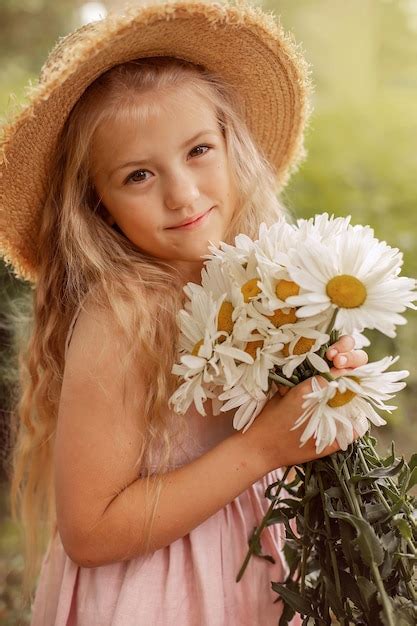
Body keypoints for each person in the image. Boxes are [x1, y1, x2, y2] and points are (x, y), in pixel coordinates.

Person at [0, 1, 369, 624]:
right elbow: (89, 531)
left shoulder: (266, 278)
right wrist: (263, 449)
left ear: (231, 144)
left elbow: (287, 422)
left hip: (262, 570)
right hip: (164, 594)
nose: (183, 193)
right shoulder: (125, 314)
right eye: (138, 175)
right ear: (100, 204)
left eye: (198, 150)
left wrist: (328, 383)